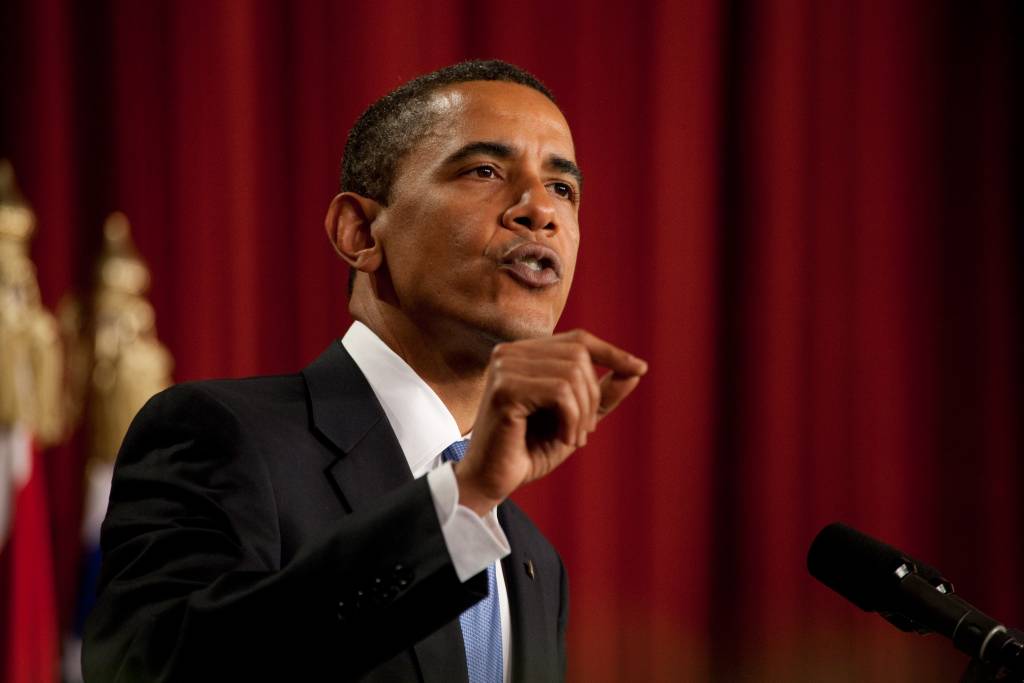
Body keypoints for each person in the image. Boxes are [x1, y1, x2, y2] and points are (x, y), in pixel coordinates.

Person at [82, 60, 647, 683]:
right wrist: (461, 504)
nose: (540, 210)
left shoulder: (536, 562)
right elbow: (152, 668)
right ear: (359, 232)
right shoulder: (219, 435)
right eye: (484, 170)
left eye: (562, 189)